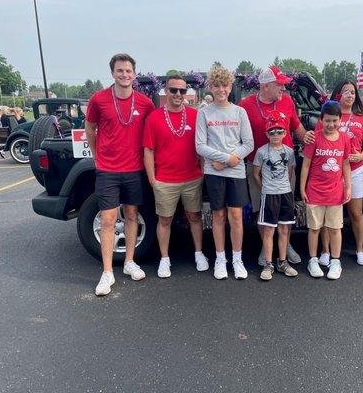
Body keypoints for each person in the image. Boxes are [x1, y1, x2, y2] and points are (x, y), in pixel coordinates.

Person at [85, 53, 155, 296]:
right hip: (108, 170)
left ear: (134, 74)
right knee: (107, 219)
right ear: (112, 73)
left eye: (128, 71)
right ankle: (107, 272)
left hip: (134, 170)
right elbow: (90, 128)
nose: (124, 75)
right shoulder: (99, 99)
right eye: (120, 71)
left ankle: (129, 262)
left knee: (132, 215)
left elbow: (151, 134)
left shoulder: (145, 103)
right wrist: (96, 155)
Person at [239, 65, 313, 267]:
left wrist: (309, 140)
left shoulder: (287, 101)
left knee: (285, 209)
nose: (283, 89)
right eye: (279, 85)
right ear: (265, 86)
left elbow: (296, 127)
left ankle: (285, 245)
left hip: (285, 166)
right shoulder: (245, 105)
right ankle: (267, 246)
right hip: (258, 167)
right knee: (262, 210)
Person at [143, 74, 208, 278]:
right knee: (165, 220)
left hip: (192, 178)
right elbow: (148, 150)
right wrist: (153, 180)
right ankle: (164, 259)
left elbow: (202, 146)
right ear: (166, 90)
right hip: (165, 180)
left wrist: (203, 171)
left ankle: (199, 253)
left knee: (195, 217)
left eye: (182, 90)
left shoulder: (195, 115)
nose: (178, 94)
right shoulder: (154, 118)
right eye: (174, 90)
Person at [195, 65, 254, 280]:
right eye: (217, 85)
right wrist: (221, 159)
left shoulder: (240, 112)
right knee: (218, 215)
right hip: (214, 172)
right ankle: (221, 258)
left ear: (230, 87)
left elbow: (248, 144)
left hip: (235, 172)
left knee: (236, 216)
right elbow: (200, 146)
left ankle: (237, 259)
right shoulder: (204, 113)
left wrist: (228, 160)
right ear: (211, 87)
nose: (221, 89)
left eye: (225, 85)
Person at [316, 80, 363, 266]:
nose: (350, 95)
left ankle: (359, 249)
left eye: (353, 92)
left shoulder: (362, 118)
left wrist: (361, 155)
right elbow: (317, 139)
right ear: (337, 95)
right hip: (331, 172)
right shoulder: (328, 117)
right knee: (328, 213)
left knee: (356, 212)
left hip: (355, 170)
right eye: (345, 92)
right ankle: (326, 251)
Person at [300, 101, 351, 280]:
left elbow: (345, 164)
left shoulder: (345, 139)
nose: (331, 125)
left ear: (340, 120)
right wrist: (302, 188)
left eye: (334, 121)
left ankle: (335, 261)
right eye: (327, 121)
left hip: (335, 192)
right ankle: (313, 259)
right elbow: (306, 165)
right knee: (314, 228)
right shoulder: (315, 138)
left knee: (335, 228)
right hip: (315, 190)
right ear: (321, 120)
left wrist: (348, 187)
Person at [253, 110, 298, 281]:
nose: (276, 134)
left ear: (285, 132)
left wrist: (283, 185)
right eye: (272, 132)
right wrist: (265, 187)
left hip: (285, 194)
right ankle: (268, 263)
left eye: (279, 131)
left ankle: (282, 261)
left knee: (285, 229)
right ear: (267, 134)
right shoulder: (262, 152)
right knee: (268, 230)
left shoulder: (289, 152)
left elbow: (290, 171)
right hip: (269, 195)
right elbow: (256, 173)